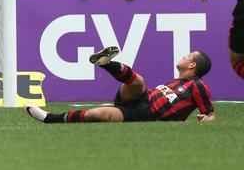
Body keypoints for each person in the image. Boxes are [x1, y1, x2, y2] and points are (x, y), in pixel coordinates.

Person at [26, 46, 213, 124]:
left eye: (188, 56)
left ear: (192, 65)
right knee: (138, 81)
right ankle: (105, 63)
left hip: (146, 114)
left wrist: (207, 119)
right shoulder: (176, 81)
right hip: (142, 97)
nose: (184, 55)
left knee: (97, 114)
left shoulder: (198, 86)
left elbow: (210, 114)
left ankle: (49, 118)